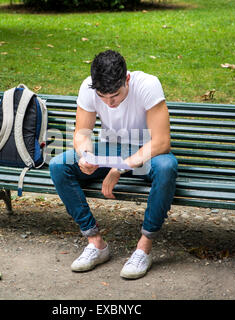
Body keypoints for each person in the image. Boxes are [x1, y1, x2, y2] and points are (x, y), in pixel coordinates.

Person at [49, 50, 178, 279]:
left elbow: (162, 141)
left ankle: (143, 248)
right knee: (59, 165)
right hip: (110, 148)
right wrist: (85, 155)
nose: (110, 103)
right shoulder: (88, 86)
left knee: (167, 167)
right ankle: (95, 243)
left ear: (126, 79)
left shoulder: (148, 85)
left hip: (147, 152)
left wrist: (120, 167)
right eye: (102, 97)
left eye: (116, 96)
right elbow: (81, 133)